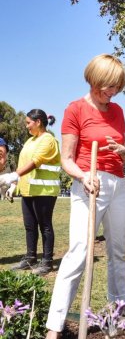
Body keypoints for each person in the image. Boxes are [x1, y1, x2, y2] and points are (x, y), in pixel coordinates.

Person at [45, 54, 125, 339]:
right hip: (89, 183)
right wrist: (82, 176)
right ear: (94, 79)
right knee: (79, 253)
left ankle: (119, 302)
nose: (113, 92)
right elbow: (66, 159)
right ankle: (55, 326)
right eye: (109, 86)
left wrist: (123, 151)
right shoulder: (75, 109)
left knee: (118, 249)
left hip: (117, 183)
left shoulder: (117, 111)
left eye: (117, 87)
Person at [0, 110, 60, 275]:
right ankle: (30, 258)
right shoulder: (30, 141)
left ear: (38, 122)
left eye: (28, 123)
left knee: (45, 226)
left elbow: (36, 161)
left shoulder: (48, 140)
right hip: (28, 190)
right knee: (30, 226)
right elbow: (23, 164)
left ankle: (47, 262)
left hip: (44, 190)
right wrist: (15, 184)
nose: (26, 126)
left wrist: (12, 175)